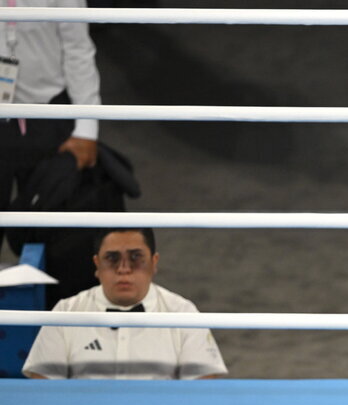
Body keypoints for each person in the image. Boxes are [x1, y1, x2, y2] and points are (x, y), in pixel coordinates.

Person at [22, 227, 228, 379]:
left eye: (135, 258)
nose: (123, 269)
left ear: (154, 263)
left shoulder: (183, 313)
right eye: (112, 258)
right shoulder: (65, 313)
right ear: (97, 265)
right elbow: (43, 385)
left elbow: (203, 387)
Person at [1, 0, 103, 300]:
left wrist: (87, 128)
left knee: (59, 241)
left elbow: (78, 49)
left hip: (49, 118)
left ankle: (60, 330)